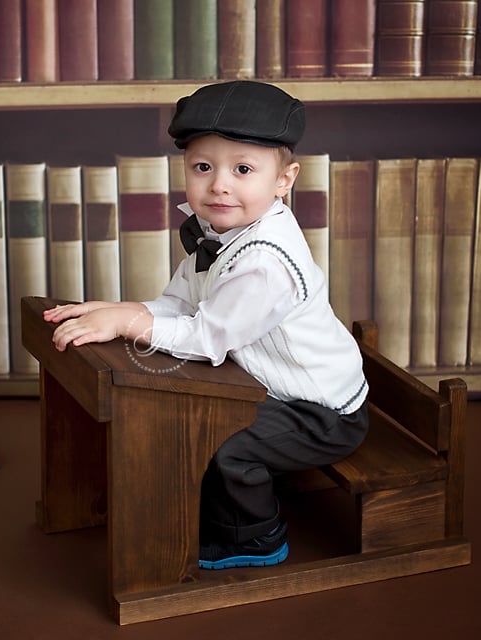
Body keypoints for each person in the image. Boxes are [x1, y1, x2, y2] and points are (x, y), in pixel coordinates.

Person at [43, 80, 369, 570]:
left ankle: (255, 538)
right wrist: (118, 312)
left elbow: (206, 335)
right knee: (191, 420)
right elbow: (181, 302)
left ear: (285, 179)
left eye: (243, 169)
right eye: (203, 167)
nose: (219, 184)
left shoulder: (266, 262)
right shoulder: (220, 232)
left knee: (223, 443)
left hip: (319, 411)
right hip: (270, 385)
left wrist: (132, 322)